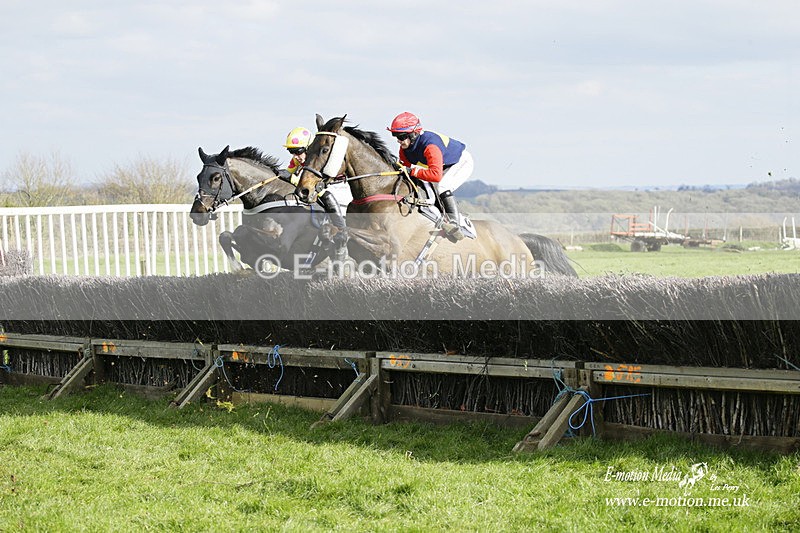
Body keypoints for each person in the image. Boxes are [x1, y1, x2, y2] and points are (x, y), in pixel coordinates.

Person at [387, 112, 473, 241]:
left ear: (414, 133)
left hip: (460, 162)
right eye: (395, 136)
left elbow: (435, 175)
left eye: (402, 136)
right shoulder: (404, 149)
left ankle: (455, 224)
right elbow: (406, 171)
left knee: (442, 186)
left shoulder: (430, 146)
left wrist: (412, 171)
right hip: (440, 166)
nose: (398, 140)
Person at [276, 126, 349, 260]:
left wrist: (290, 177)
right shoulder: (295, 160)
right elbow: (288, 174)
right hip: (315, 186)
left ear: (309, 148)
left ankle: (341, 229)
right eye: (291, 152)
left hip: (336, 186)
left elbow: (295, 179)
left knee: (324, 195)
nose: (295, 157)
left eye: (298, 151)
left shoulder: (317, 158)